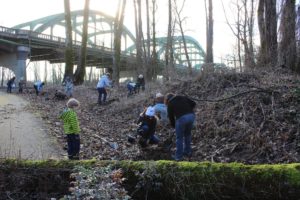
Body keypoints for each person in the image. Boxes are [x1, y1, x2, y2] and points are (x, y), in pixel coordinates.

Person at [165, 93, 196, 161]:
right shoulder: (183, 97)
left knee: (179, 138)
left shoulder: (170, 103)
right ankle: (188, 152)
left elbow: (171, 117)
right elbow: (194, 103)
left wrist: (174, 126)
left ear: (167, 100)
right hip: (191, 116)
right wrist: (188, 110)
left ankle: (178, 156)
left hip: (181, 119)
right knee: (187, 134)